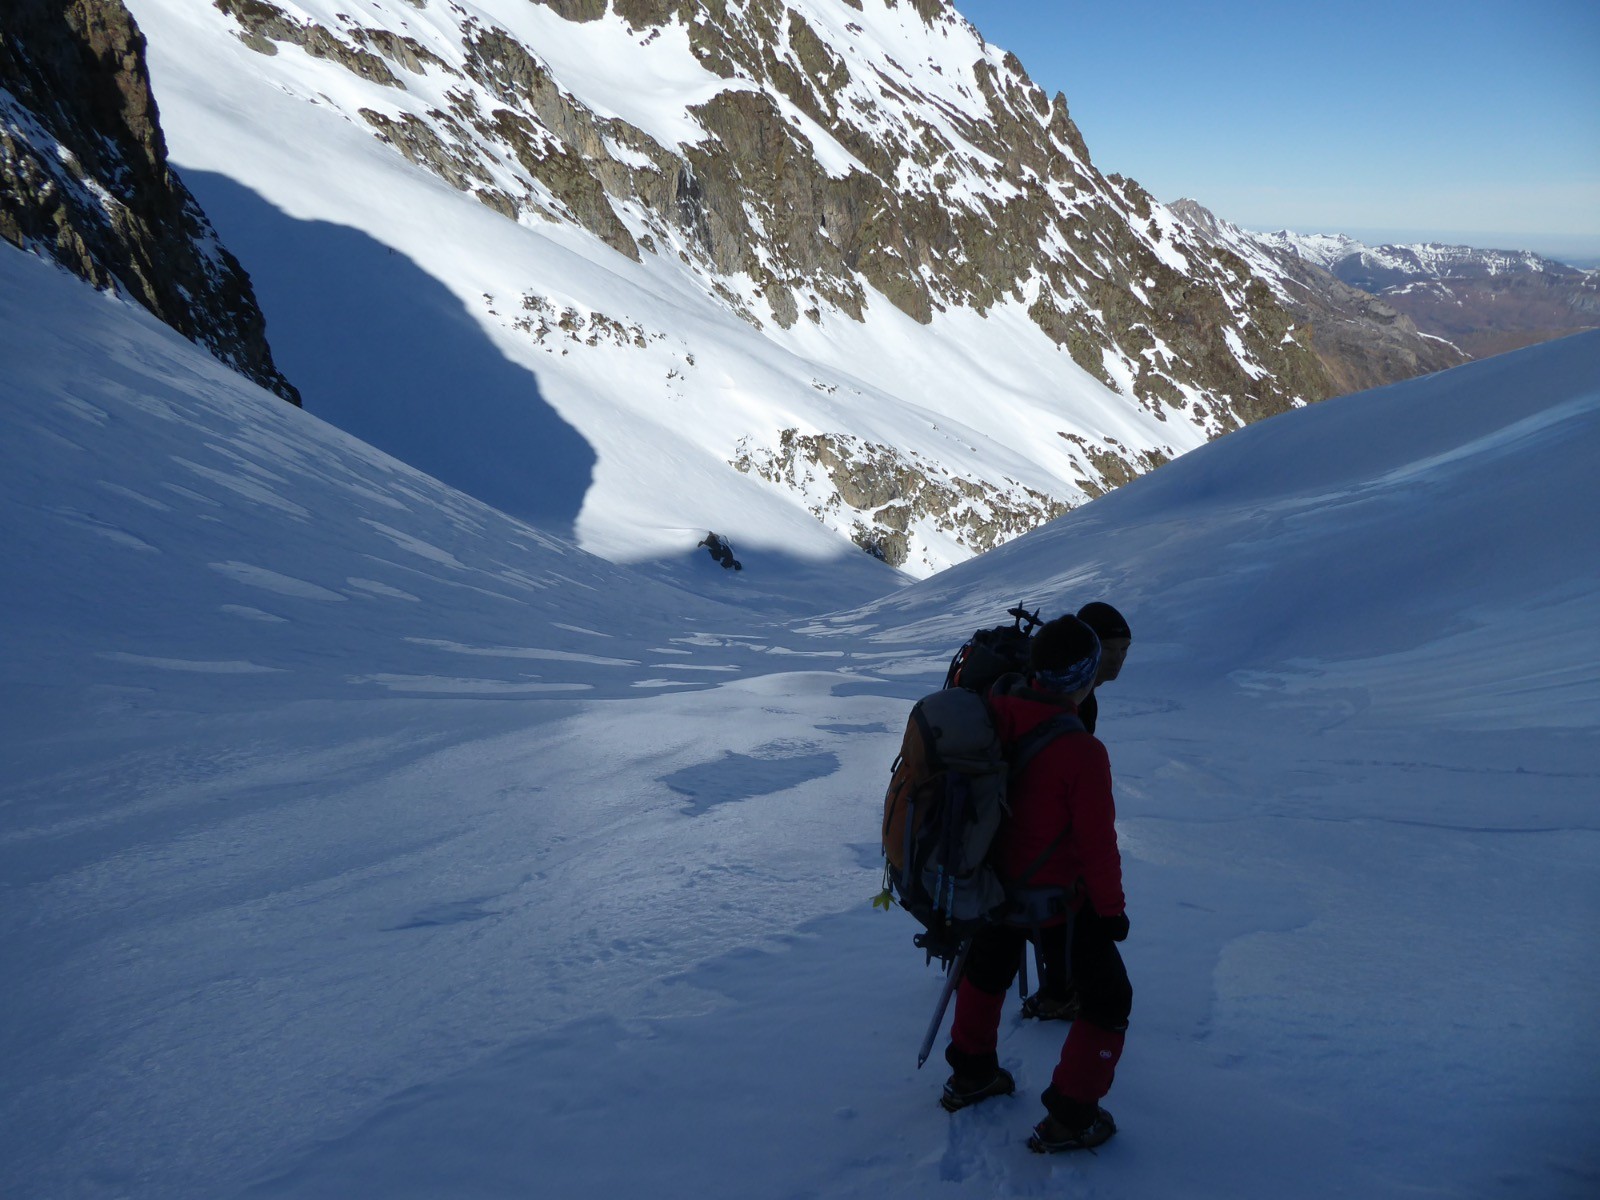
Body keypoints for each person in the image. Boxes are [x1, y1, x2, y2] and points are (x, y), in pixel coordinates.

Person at [939, 615, 1133, 1153]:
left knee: (985, 972)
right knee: (1109, 998)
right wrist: (1111, 912)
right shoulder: (1082, 752)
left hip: (990, 883)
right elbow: (1097, 845)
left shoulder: (995, 707)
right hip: (1054, 896)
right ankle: (1071, 1116)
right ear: (1084, 678)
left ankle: (971, 1073)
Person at [1021, 601, 1133, 1021]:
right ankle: (1061, 992)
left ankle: (1057, 989)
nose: (1118, 659)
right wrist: (1111, 908)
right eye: (1111, 649)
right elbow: (1092, 828)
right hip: (1042, 856)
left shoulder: (1027, 695)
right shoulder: (1074, 711)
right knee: (1066, 915)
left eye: (1125, 650)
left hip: (1004, 848)